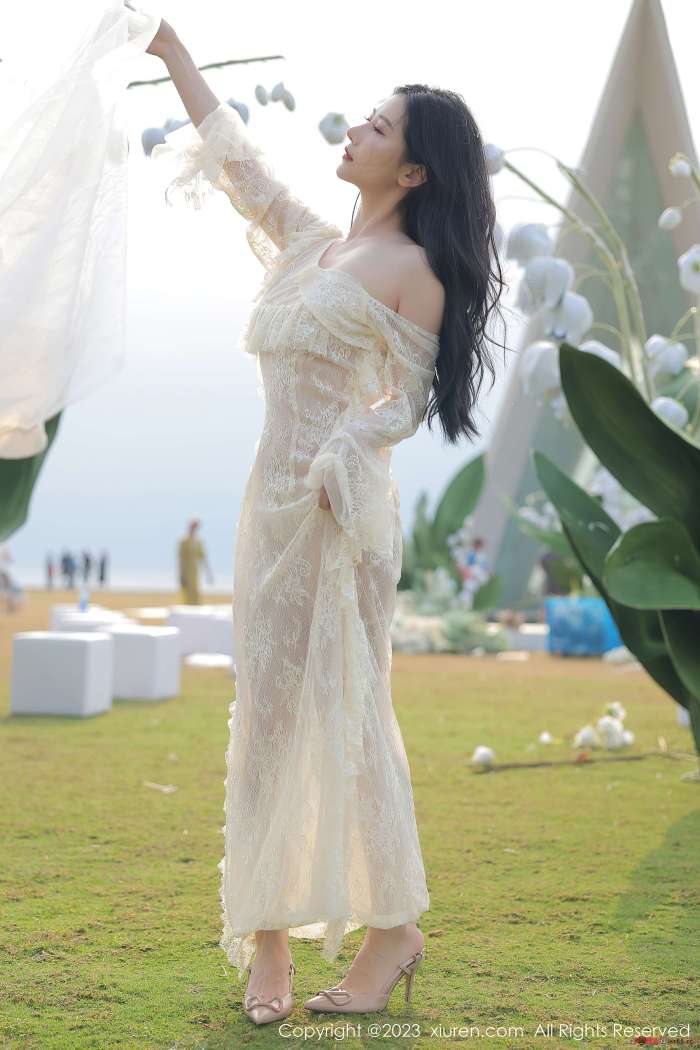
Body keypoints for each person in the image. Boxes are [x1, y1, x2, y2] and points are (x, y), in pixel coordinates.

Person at [146, 16, 506, 1025]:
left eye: (378, 127)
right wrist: (174, 53)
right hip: (268, 507)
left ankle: (394, 930)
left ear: (414, 171)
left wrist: (344, 450)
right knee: (263, 718)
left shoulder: (412, 271)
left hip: (338, 516)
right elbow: (237, 162)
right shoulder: (314, 243)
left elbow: (407, 402)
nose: (355, 129)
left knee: (347, 716)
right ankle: (268, 940)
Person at [177, 518, 214, 604]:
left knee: (195, 592)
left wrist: (209, 573)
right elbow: (180, 559)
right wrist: (181, 575)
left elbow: (203, 558)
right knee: (186, 593)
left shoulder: (199, 542)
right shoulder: (184, 541)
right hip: (186, 570)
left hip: (195, 571)